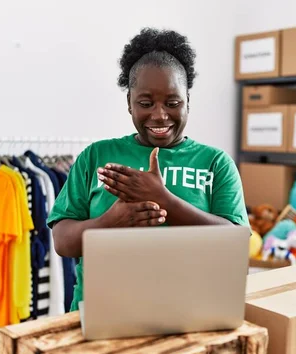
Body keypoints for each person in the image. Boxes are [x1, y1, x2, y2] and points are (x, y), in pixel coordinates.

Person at [47, 27, 250, 312]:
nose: (159, 115)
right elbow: (62, 242)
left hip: (190, 313)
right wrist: (110, 223)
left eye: (173, 103)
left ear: (188, 102)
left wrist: (165, 200)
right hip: (101, 313)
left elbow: (236, 250)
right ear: (129, 103)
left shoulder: (216, 163)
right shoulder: (96, 156)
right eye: (145, 103)